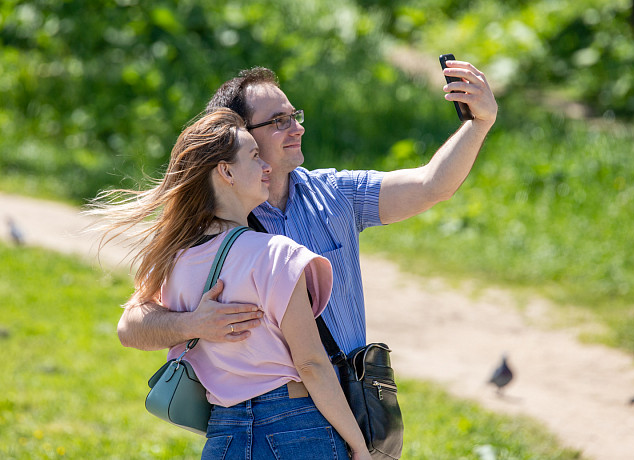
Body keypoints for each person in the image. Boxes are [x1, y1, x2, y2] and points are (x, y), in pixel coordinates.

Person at [117, 60, 498, 357]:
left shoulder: (335, 193)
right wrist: (192, 324)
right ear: (240, 137)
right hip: (269, 423)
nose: (296, 128)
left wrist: (479, 124)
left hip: (348, 406)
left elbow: (432, 185)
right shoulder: (209, 221)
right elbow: (132, 325)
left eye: (294, 117)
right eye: (278, 122)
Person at [89, 109, 371, 459]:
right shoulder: (276, 254)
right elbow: (312, 365)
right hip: (297, 427)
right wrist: (358, 444)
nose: (267, 166)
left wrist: (193, 324)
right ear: (226, 172)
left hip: (224, 432)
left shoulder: (174, 261)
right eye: (255, 157)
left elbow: (130, 328)